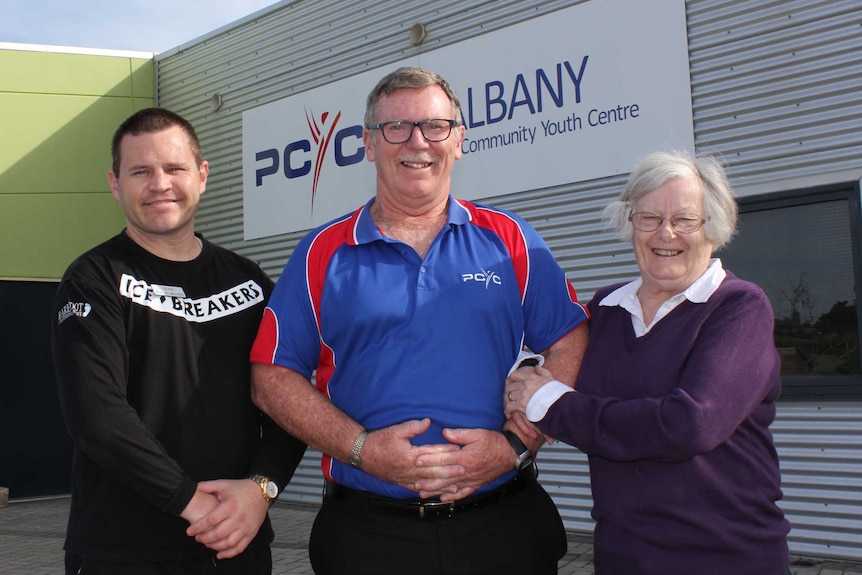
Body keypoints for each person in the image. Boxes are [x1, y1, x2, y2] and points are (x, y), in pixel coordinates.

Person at [250, 67, 590, 575]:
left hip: (504, 528)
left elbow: (571, 339)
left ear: (459, 140)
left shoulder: (511, 240)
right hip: (368, 538)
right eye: (396, 127)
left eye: (435, 126)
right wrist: (361, 449)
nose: (417, 141)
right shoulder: (320, 253)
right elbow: (270, 377)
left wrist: (516, 444)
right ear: (368, 143)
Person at [505, 150, 792, 575]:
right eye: (649, 218)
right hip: (624, 554)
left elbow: (691, 423)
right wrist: (527, 377)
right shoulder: (608, 308)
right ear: (630, 224)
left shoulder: (737, 307)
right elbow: (557, 359)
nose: (666, 233)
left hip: (725, 556)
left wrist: (552, 406)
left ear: (713, 226)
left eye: (685, 219)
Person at [52, 107, 306, 575]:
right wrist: (192, 503)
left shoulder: (248, 280)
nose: (159, 184)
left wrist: (261, 488)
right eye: (140, 171)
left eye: (174, 168)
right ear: (115, 183)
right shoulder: (94, 279)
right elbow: (97, 416)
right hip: (124, 553)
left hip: (238, 545)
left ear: (202, 175)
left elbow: (287, 396)